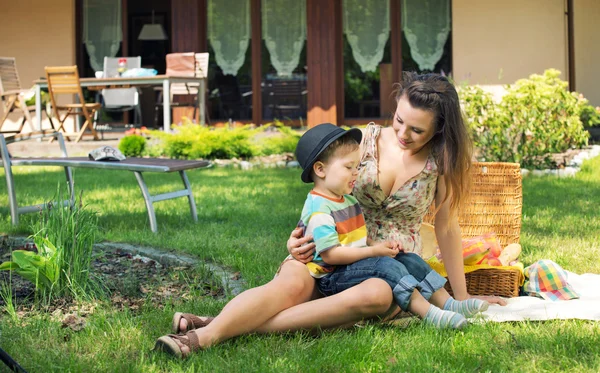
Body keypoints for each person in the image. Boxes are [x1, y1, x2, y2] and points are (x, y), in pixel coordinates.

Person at [154, 72, 505, 358]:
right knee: (292, 282)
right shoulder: (360, 142)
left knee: (378, 296)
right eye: (399, 120)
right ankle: (204, 338)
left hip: (390, 268)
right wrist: (296, 238)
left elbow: (447, 228)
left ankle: (222, 323)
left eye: (417, 130)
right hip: (329, 249)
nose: (402, 133)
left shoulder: (440, 163)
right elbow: (323, 196)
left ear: (439, 129)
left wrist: (458, 298)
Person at [291, 123, 487, 329]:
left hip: (350, 267)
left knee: (409, 260)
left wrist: (381, 245)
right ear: (320, 169)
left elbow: (357, 237)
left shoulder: (346, 200)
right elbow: (331, 255)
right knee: (386, 266)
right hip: (332, 276)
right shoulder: (319, 208)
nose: (356, 173)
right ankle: (430, 314)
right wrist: (374, 252)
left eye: (357, 167)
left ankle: (450, 303)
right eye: (349, 167)